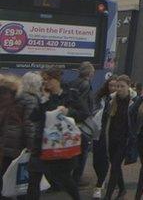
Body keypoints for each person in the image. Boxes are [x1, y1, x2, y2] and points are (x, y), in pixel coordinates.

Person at [29, 67, 89, 200]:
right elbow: (33, 117)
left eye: (48, 79)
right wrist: (42, 102)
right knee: (33, 178)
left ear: (56, 79)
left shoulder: (71, 94)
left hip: (63, 143)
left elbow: (84, 113)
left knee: (64, 178)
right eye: (44, 80)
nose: (46, 83)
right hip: (42, 143)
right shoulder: (44, 96)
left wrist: (69, 112)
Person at [102, 77, 133, 200]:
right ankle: (122, 188)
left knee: (114, 166)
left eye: (122, 86)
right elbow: (106, 118)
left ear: (128, 86)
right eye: (117, 86)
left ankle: (108, 195)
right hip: (112, 137)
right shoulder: (111, 100)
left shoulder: (133, 102)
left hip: (124, 140)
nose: (118, 89)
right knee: (115, 165)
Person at [68, 61, 95, 186]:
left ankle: (69, 177)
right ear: (89, 73)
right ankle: (76, 179)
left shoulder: (72, 83)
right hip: (82, 122)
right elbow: (84, 104)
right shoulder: (85, 84)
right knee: (83, 151)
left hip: (71, 121)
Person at [16, 72, 43, 200]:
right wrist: (32, 145)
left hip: (15, 139)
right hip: (24, 142)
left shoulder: (18, 96)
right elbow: (30, 124)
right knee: (26, 176)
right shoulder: (32, 99)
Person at [91, 77, 118, 198]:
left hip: (109, 133)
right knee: (96, 161)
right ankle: (102, 179)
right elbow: (93, 110)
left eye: (115, 86)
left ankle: (99, 184)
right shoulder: (101, 98)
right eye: (110, 85)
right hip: (97, 131)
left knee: (105, 159)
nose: (112, 88)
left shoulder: (118, 100)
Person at [0, 75, 28, 192]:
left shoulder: (5, 98)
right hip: (13, 143)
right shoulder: (16, 97)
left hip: (7, 142)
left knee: (5, 174)